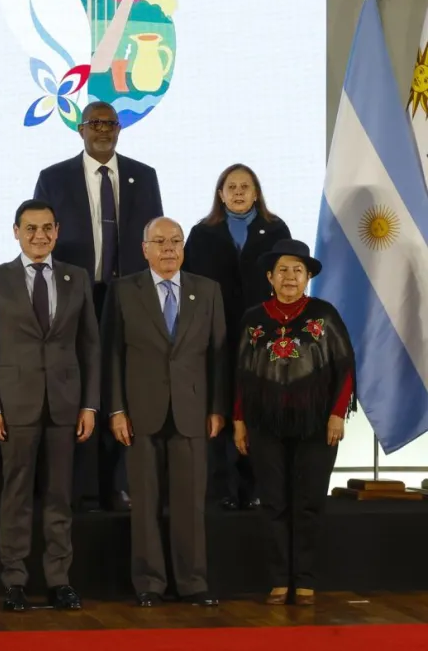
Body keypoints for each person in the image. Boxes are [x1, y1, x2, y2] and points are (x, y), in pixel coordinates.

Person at [0, 200, 100, 613]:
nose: (39, 235)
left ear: (57, 231)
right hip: (14, 406)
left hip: (65, 404)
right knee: (17, 496)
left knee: (61, 496)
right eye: (31, 228)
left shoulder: (76, 277)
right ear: (15, 231)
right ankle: (15, 581)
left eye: (47, 228)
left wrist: (90, 405)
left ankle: (60, 581)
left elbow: (91, 346)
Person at [34, 101, 164, 512]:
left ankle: (118, 485)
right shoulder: (53, 178)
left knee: (123, 386)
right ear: (80, 128)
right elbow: (40, 240)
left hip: (128, 297)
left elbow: (155, 242)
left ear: (120, 128)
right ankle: (78, 486)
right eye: (95, 123)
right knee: (76, 386)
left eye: (110, 123)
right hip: (75, 295)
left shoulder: (144, 177)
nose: (103, 130)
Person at [103, 217, 226, 608]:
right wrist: (117, 409)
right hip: (139, 413)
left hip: (192, 411)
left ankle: (192, 582)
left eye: (175, 241)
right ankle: (149, 583)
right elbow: (112, 355)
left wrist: (217, 407)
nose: (169, 248)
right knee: (145, 501)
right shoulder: (123, 291)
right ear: (145, 249)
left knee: (191, 503)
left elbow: (218, 355)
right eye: (160, 241)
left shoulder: (207, 291)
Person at [233, 239, 355, 607]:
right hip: (265, 423)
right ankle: (277, 579)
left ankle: (304, 579)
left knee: (309, 501)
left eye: (297, 270)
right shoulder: (254, 318)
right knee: (273, 502)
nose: (290, 277)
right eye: (283, 270)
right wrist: (239, 421)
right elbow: (241, 374)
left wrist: (337, 413)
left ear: (308, 277)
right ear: (270, 276)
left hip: (316, 425)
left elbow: (345, 368)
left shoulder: (325, 315)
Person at [184, 164, 292, 511]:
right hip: (215, 336)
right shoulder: (202, 233)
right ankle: (222, 489)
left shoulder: (276, 230)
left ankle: (257, 487)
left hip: (265, 338)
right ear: (220, 194)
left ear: (257, 192)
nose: (239, 192)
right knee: (217, 411)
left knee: (258, 412)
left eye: (246, 186)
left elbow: (290, 281)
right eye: (231, 186)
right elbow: (188, 286)